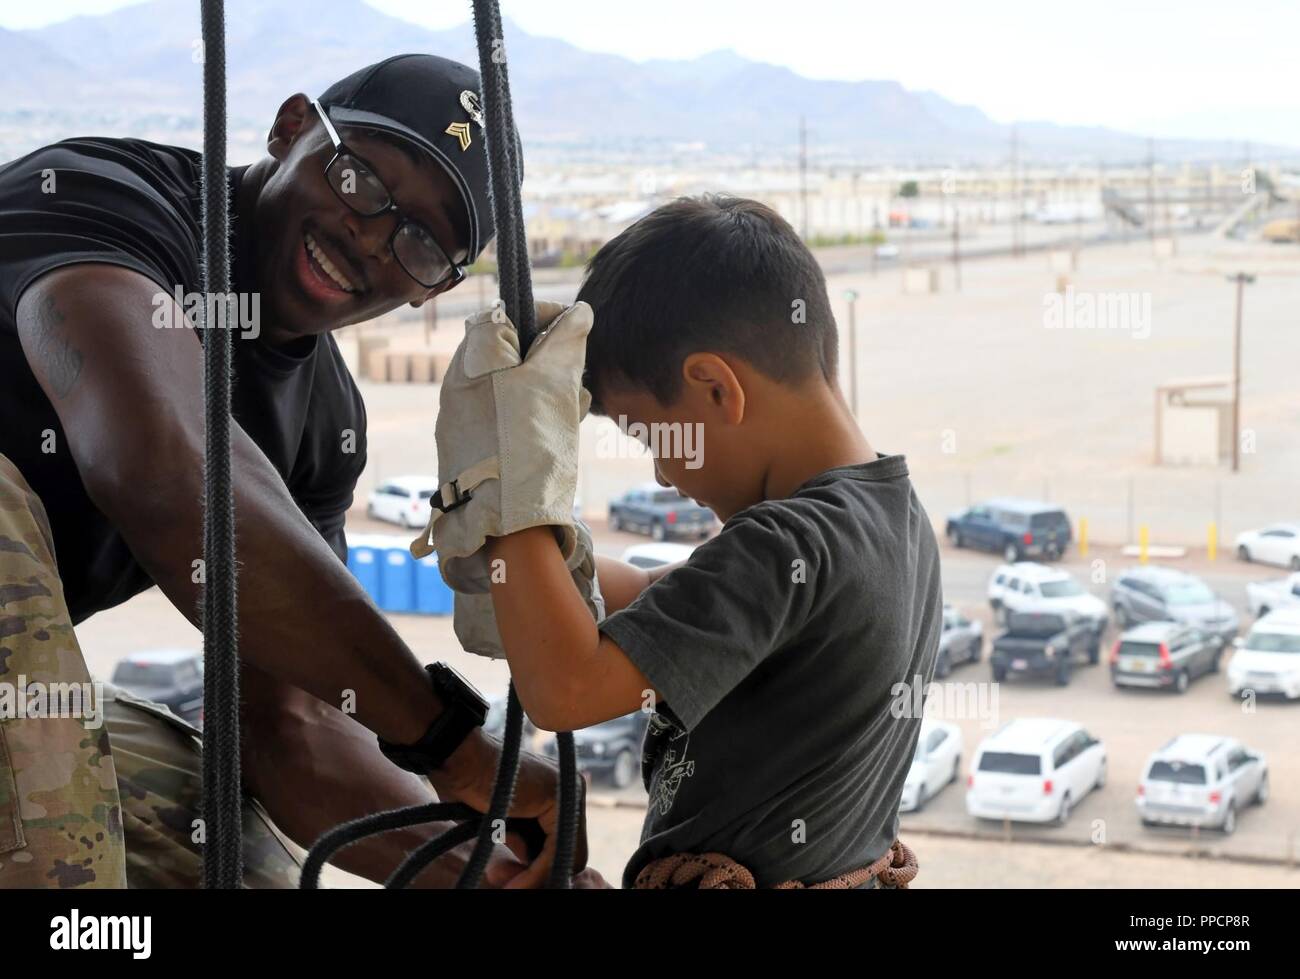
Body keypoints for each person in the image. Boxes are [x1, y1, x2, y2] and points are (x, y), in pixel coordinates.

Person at [0, 53, 589, 888]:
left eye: (422, 242)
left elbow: (296, 722)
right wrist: (448, 738)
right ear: (290, 128)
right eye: (361, 180)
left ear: (431, 291)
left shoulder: (322, 426)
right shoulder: (106, 200)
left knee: (211, 829)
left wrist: (485, 872)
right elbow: (165, 467)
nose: (373, 236)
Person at [428, 195, 942, 888]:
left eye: (651, 436)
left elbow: (566, 689)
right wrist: (524, 555)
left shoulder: (787, 542)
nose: (664, 476)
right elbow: (647, 599)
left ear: (713, 387)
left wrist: (509, 487)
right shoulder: (890, 520)